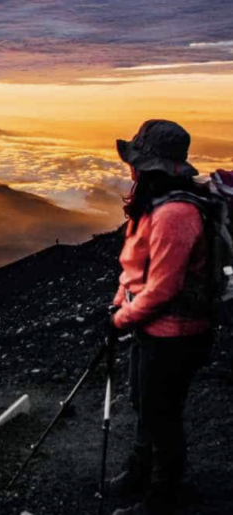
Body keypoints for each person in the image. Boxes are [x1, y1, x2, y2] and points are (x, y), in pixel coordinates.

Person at [109, 120, 213, 515]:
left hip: (176, 334)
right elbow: (137, 268)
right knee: (144, 400)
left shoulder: (176, 215)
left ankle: (164, 495)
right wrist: (121, 302)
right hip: (151, 327)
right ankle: (141, 470)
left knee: (162, 412)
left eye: (137, 160)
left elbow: (164, 288)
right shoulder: (154, 204)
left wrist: (120, 320)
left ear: (151, 166)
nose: (131, 168)